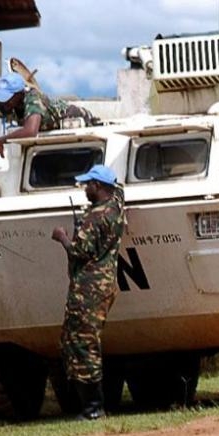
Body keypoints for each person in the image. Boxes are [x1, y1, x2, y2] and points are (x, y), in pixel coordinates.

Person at [51, 165, 125, 420]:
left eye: (89, 184)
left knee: (83, 343)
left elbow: (79, 251)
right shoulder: (116, 207)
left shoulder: (95, 217)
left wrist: (62, 237)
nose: (85, 188)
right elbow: (119, 191)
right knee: (76, 339)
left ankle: (93, 408)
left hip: (88, 287)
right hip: (103, 284)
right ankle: (89, 404)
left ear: (99, 186)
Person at [0, 72, 98, 167]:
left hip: (71, 116)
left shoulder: (33, 98)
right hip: (46, 128)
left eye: (8, 98)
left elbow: (30, 131)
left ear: (20, 94)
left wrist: (0, 140)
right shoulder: (4, 103)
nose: (5, 102)